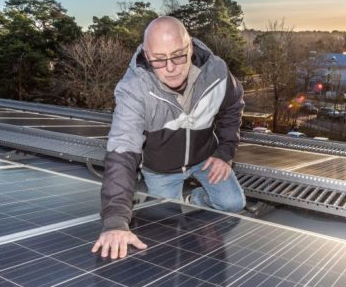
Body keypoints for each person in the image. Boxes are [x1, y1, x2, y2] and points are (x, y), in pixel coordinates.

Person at [91, 16, 246, 259]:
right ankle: (171, 204)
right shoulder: (134, 89)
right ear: (146, 53)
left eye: (178, 55)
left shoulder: (216, 72)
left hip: (205, 157)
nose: (171, 67)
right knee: (169, 227)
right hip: (161, 170)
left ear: (190, 47)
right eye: (160, 60)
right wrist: (115, 221)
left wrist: (225, 152)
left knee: (233, 204)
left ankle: (195, 198)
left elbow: (233, 105)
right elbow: (122, 151)